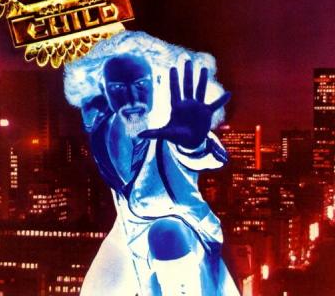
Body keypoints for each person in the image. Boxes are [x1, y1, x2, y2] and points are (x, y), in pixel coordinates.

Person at [64, 31, 239, 296]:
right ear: (104, 89)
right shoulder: (102, 124)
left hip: (180, 228)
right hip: (127, 232)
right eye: (118, 89)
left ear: (157, 79)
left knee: (163, 234)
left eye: (141, 84)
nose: (131, 99)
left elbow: (207, 155)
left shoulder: (172, 122)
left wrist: (194, 143)